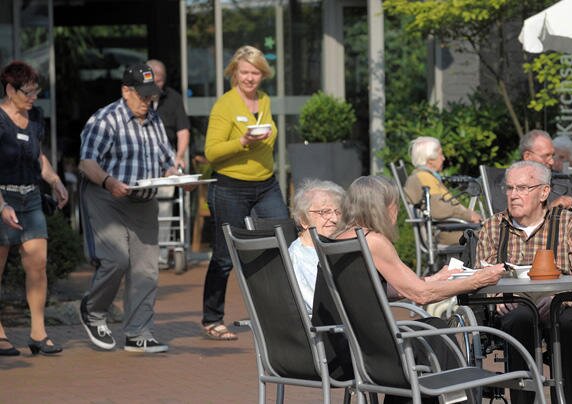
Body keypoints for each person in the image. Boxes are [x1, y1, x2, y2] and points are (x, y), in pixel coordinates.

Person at [328, 175, 504, 403]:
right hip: (372, 351)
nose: (397, 212)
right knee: (437, 333)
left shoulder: (338, 239)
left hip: (345, 344)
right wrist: (478, 279)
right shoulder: (373, 241)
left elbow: (378, 290)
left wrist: (434, 278)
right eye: (395, 205)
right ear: (382, 208)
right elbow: (421, 295)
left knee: (431, 331)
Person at [79, 63, 181, 353]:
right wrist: (109, 182)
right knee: (116, 260)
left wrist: (178, 177)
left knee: (146, 268)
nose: (147, 101)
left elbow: (167, 161)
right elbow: (86, 163)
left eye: (151, 95)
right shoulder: (105, 119)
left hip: (143, 201)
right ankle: (93, 311)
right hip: (107, 197)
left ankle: (138, 333)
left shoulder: (154, 120)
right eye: (142, 95)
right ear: (126, 91)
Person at [476, 160, 572, 404]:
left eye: (523, 188)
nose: (513, 195)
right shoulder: (494, 226)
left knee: (568, 324)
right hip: (514, 304)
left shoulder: (566, 222)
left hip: (561, 301)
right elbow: (478, 275)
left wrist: (561, 298)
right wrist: (495, 297)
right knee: (520, 320)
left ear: (544, 192)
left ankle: (565, 399)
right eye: (510, 188)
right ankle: (522, 400)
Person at [202, 45, 289, 341]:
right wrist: (242, 142)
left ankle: (279, 313)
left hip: (266, 184)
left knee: (283, 242)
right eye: (244, 72)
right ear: (234, 74)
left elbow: (270, 136)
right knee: (225, 255)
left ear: (263, 74)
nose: (250, 78)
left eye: (255, 72)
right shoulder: (225, 105)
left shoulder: (264, 100)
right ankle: (212, 318)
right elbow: (212, 152)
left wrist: (264, 137)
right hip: (231, 186)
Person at [0, 60, 68, 356]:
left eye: (35, 91)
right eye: (27, 92)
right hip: (3, 197)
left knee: (37, 265)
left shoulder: (36, 117)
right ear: (9, 90)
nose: (33, 97)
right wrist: (2, 205)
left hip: (31, 199)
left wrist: (55, 180)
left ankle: (38, 333)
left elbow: (38, 156)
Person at [146, 59, 191, 271]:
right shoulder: (136, 98)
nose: (157, 85)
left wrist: (179, 156)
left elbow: (183, 130)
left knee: (164, 206)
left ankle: (162, 255)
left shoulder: (173, 99)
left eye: (160, 80)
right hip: (142, 159)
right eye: (153, 80)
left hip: (167, 159)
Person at [404, 136, 482, 245]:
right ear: (430, 160)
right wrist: (468, 215)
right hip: (449, 232)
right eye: (441, 154)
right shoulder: (423, 178)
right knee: (495, 235)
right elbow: (438, 208)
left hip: (454, 228)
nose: (444, 158)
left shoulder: (428, 177)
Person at [289, 179, 344, 315]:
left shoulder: (331, 248)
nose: (335, 219)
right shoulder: (299, 257)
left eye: (337, 212)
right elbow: (317, 305)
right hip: (327, 324)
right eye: (325, 212)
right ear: (304, 220)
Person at [520, 129, 572, 208]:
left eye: (552, 155)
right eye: (546, 156)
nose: (552, 162)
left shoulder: (562, 183)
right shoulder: (510, 186)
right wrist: (549, 209)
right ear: (527, 156)